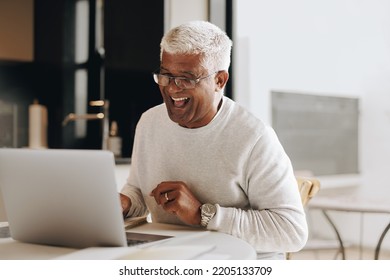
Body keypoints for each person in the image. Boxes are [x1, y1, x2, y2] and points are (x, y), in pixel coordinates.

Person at [120, 20, 308, 259]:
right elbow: (139, 192)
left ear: (220, 80)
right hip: (172, 256)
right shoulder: (149, 122)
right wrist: (125, 203)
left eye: (186, 79)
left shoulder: (254, 137)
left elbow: (290, 232)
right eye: (166, 76)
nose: (173, 89)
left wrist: (203, 214)